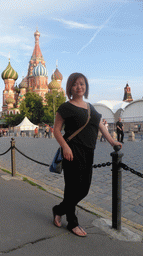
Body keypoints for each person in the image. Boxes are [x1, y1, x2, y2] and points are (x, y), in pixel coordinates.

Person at [53, 73, 122, 237]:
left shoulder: (90, 108)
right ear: (70, 87)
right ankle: (72, 223)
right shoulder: (65, 107)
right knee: (71, 188)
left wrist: (113, 142)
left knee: (83, 189)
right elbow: (56, 130)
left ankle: (58, 209)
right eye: (76, 84)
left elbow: (100, 126)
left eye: (82, 84)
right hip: (72, 152)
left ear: (86, 86)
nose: (79, 87)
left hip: (88, 152)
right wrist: (65, 147)